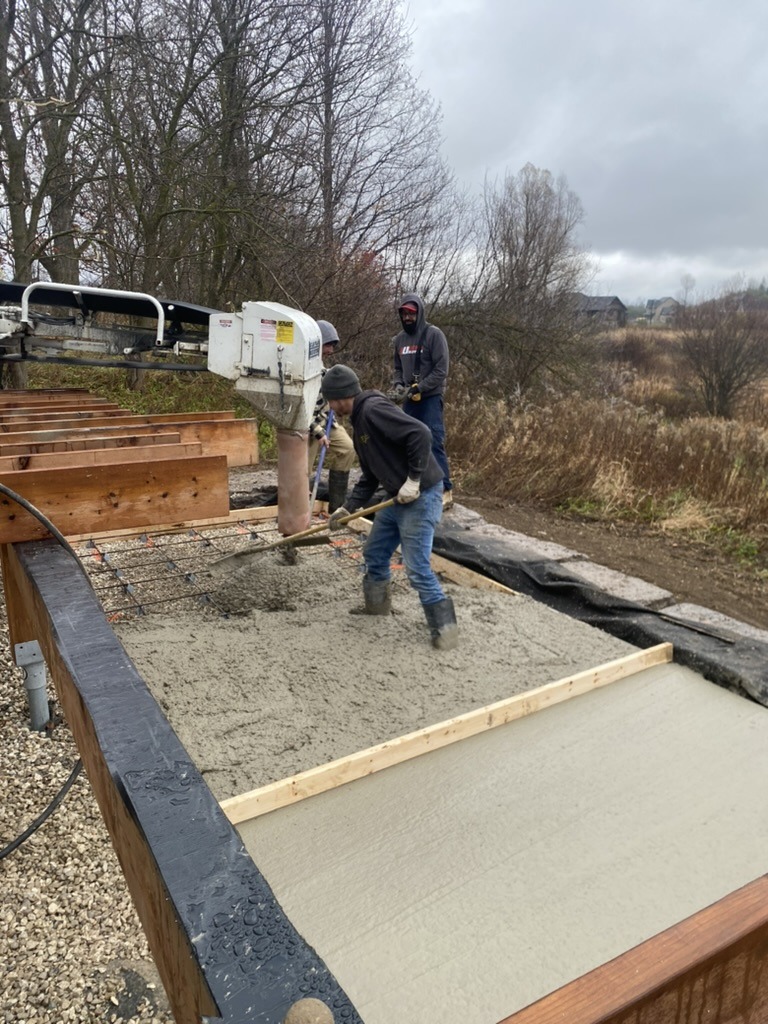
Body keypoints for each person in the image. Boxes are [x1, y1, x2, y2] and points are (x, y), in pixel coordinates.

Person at [321, 363, 458, 651]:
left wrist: (414, 479)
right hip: (395, 497)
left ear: (341, 396)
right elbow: (370, 476)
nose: (331, 408)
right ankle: (377, 608)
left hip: (421, 496)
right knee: (375, 551)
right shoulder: (360, 423)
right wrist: (347, 509)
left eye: (331, 401)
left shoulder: (373, 411)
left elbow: (420, 434)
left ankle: (446, 631)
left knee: (417, 567)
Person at [389, 292, 453, 508]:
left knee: (434, 441)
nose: (407, 318)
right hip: (409, 399)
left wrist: (419, 387)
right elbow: (398, 369)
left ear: (419, 313)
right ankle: (415, 483)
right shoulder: (400, 339)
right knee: (410, 441)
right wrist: (399, 385)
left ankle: (445, 490)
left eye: (411, 314)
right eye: (404, 313)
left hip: (430, 398)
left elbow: (441, 370)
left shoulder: (434, 335)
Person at [308, 320, 356, 513]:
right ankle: (298, 515)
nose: (330, 350)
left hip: (327, 421)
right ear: (317, 343)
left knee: (347, 449)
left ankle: (336, 508)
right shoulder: (303, 366)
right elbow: (300, 410)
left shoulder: (321, 368)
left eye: (332, 346)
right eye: (328, 345)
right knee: (302, 472)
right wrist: (319, 433)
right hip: (306, 426)